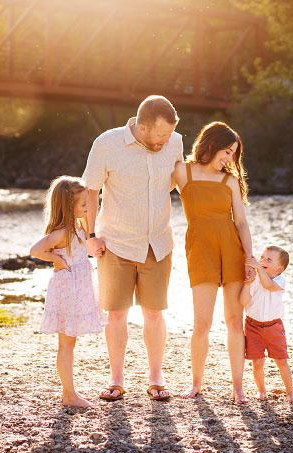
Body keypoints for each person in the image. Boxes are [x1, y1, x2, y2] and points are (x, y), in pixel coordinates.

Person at [82, 95, 183, 401]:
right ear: (141, 127)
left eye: (169, 134)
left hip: (158, 243)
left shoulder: (175, 143)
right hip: (116, 244)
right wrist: (90, 235)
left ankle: (155, 378)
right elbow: (90, 191)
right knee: (116, 315)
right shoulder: (107, 143)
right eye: (160, 135)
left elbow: (183, 184)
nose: (166, 141)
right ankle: (116, 378)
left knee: (154, 314)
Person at [173, 121, 254, 404]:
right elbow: (153, 194)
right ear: (211, 144)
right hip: (200, 251)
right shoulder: (182, 172)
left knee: (234, 321)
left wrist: (251, 257)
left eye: (233, 154)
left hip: (232, 251)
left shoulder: (230, 181)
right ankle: (196, 384)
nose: (229, 159)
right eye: (227, 152)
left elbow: (241, 223)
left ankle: (238, 388)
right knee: (202, 323)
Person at [30, 176, 108, 408]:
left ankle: (69, 391)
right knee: (66, 344)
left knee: (69, 343)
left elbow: (84, 247)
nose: (87, 207)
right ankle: (69, 394)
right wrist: (56, 258)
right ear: (68, 207)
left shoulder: (77, 227)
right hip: (68, 290)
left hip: (76, 287)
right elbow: (35, 249)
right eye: (83, 204)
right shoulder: (64, 231)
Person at [241, 246, 293, 404]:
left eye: (269, 259)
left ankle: (290, 392)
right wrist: (248, 283)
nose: (263, 260)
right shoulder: (255, 278)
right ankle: (261, 390)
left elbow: (269, 286)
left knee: (281, 360)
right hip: (253, 326)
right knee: (257, 361)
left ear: (279, 269)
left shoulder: (280, 280)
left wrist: (258, 267)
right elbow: (244, 301)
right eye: (262, 257)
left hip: (274, 327)